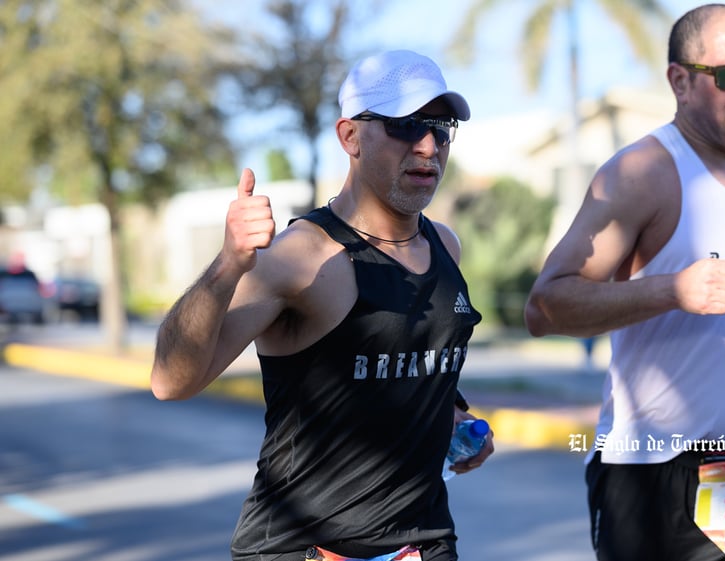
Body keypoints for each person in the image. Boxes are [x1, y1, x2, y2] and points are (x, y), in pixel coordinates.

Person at [524, 4, 725, 561]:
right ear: (680, 81)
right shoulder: (642, 174)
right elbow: (544, 308)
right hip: (654, 472)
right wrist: (671, 290)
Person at [151, 49, 493, 561]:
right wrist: (227, 265)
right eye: (404, 125)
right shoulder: (299, 258)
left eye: (440, 127)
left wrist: (456, 416)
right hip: (304, 549)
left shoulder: (445, 245)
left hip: (424, 543)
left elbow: (408, 361)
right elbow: (170, 382)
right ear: (350, 137)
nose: (428, 146)